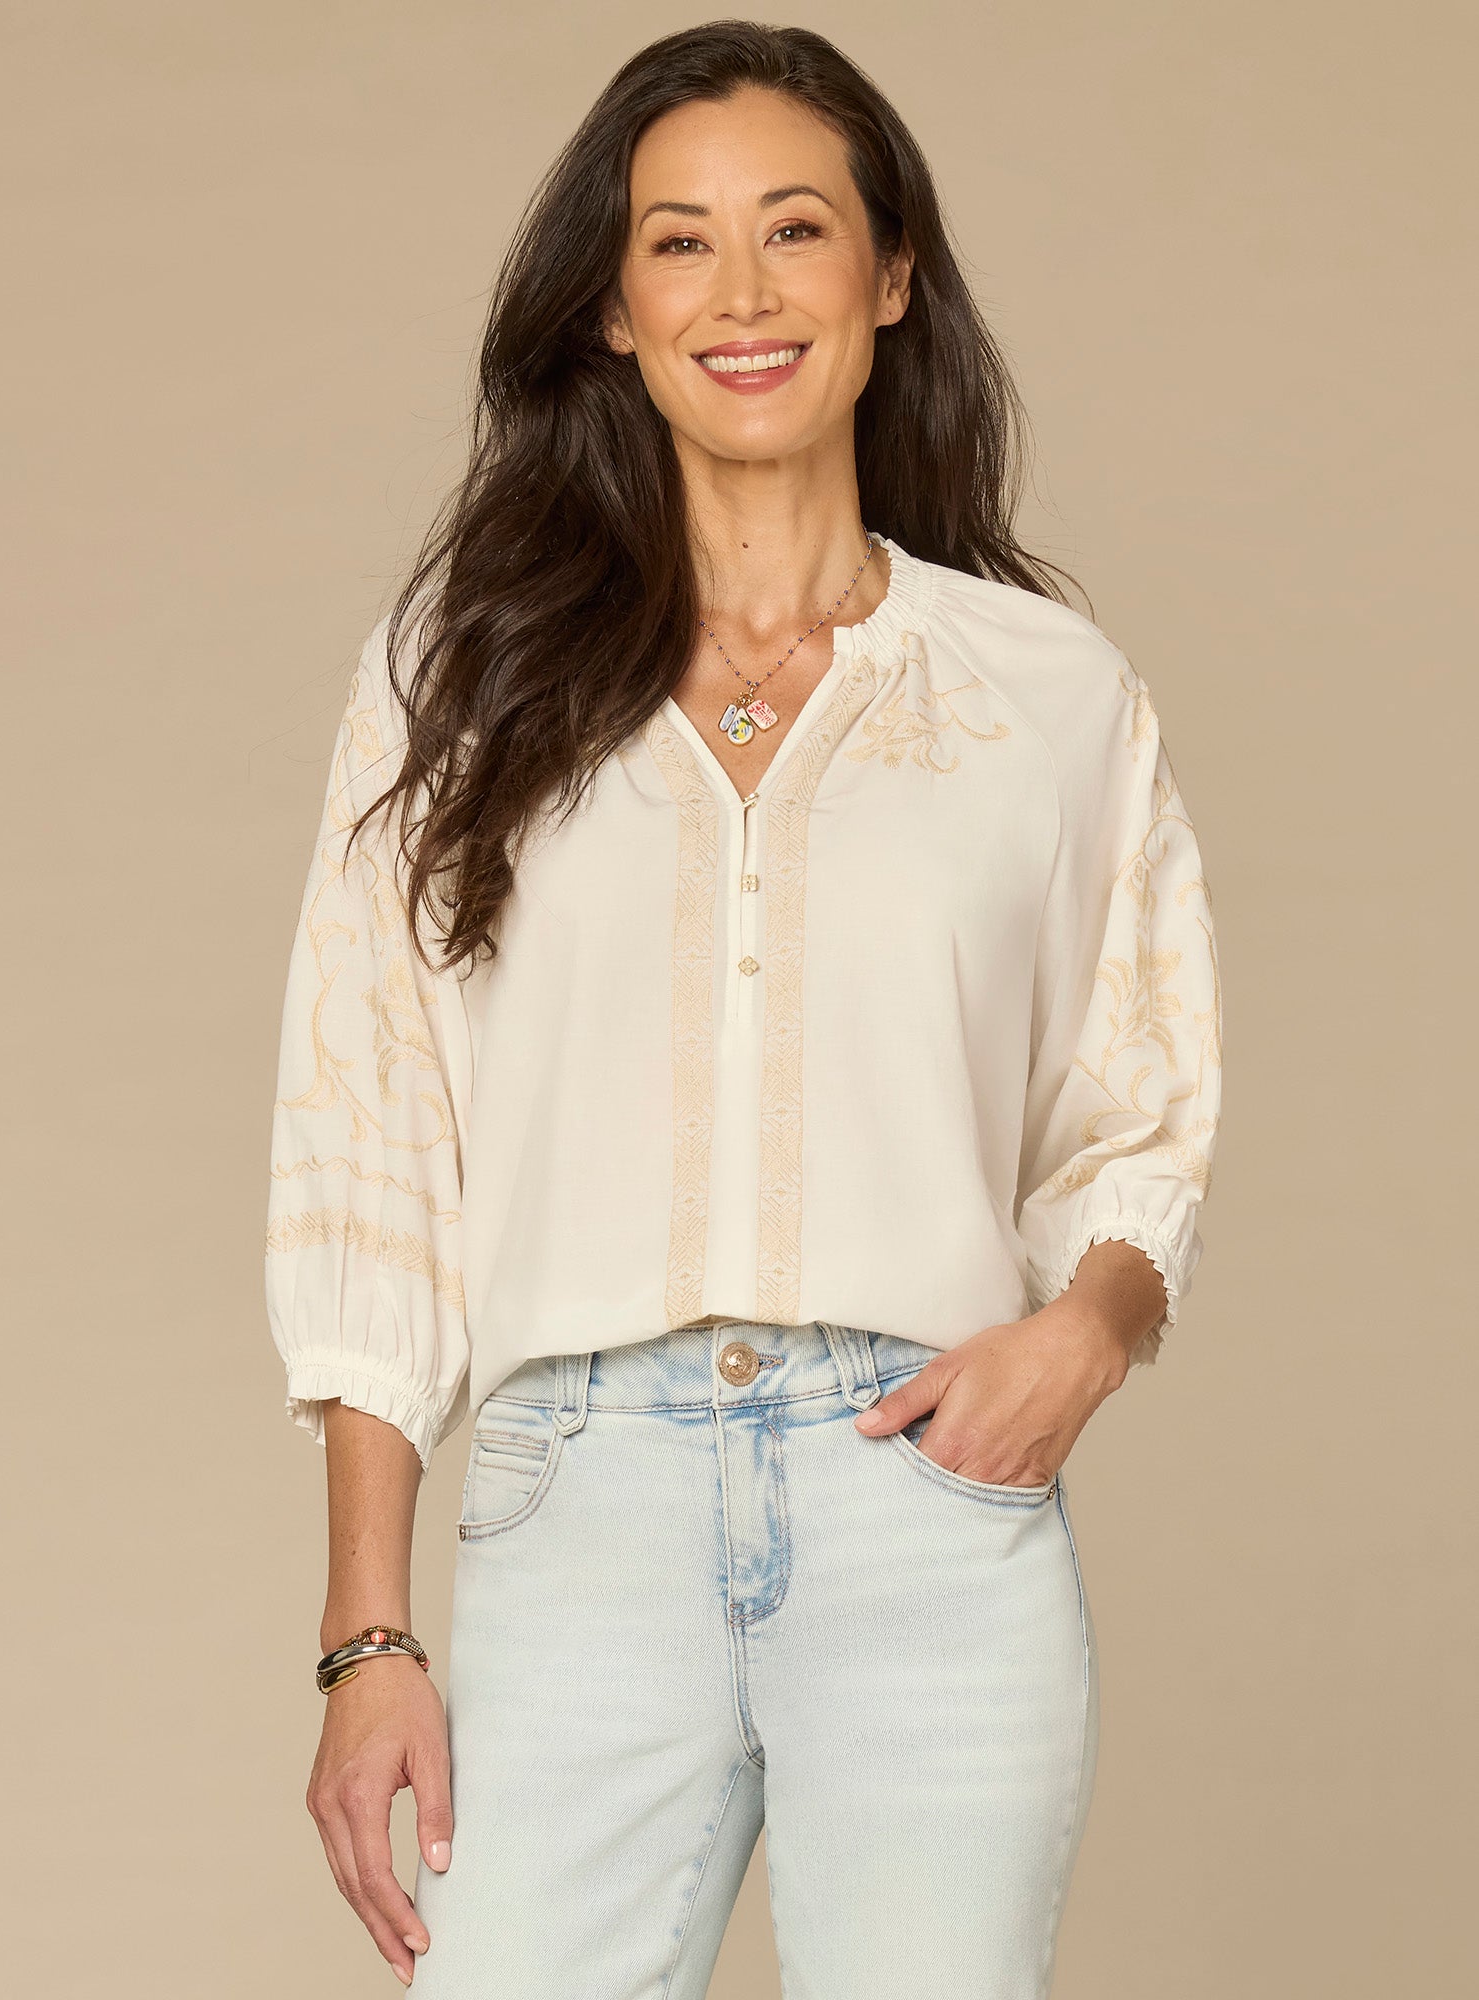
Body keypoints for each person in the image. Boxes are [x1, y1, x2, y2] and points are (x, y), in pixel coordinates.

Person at [264, 21, 1222, 1998]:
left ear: (890, 276)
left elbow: (1143, 1107)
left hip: (925, 1506)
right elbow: (372, 1150)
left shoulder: (1047, 696)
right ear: (614, 311)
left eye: (795, 229)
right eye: (679, 242)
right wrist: (370, 1632)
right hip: (577, 1507)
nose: (743, 292)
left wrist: (1088, 1334)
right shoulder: (460, 677)